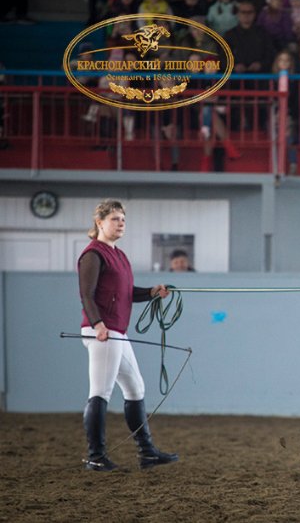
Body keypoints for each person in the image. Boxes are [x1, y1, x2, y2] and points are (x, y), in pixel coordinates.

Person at [78, 199, 179, 471]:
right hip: (103, 332)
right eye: (114, 219)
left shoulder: (119, 256)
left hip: (117, 333)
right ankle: (94, 456)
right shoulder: (93, 254)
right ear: (99, 223)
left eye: (123, 219)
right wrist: (99, 325)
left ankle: (147, 453)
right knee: (100, 391)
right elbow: (86, 295)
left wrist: (152, 292)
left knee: (135, 389)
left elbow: (127, 294)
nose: (120, 223)